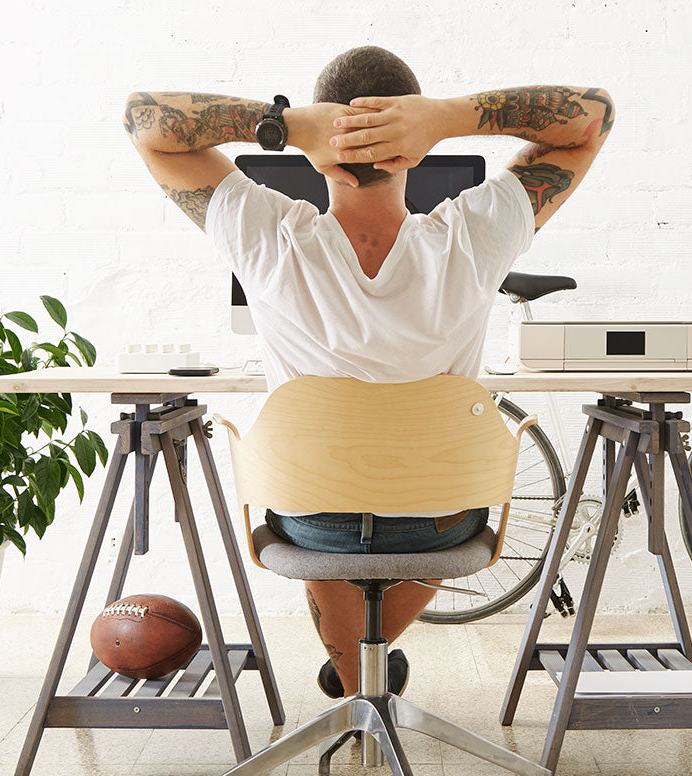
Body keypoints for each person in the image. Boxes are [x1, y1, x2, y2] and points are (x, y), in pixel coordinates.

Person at [125, 45, 613, 698]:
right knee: (434, 495)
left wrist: (285, 127)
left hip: (312, 519)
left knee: (315, 491)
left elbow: (144, 122)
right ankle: (368, 676)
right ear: (412, 148)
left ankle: (358, 682)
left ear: (319, 142)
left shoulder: (264, 234)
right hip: (440, 518)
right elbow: (591, 119)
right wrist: (445, 119)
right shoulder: (474, 235)